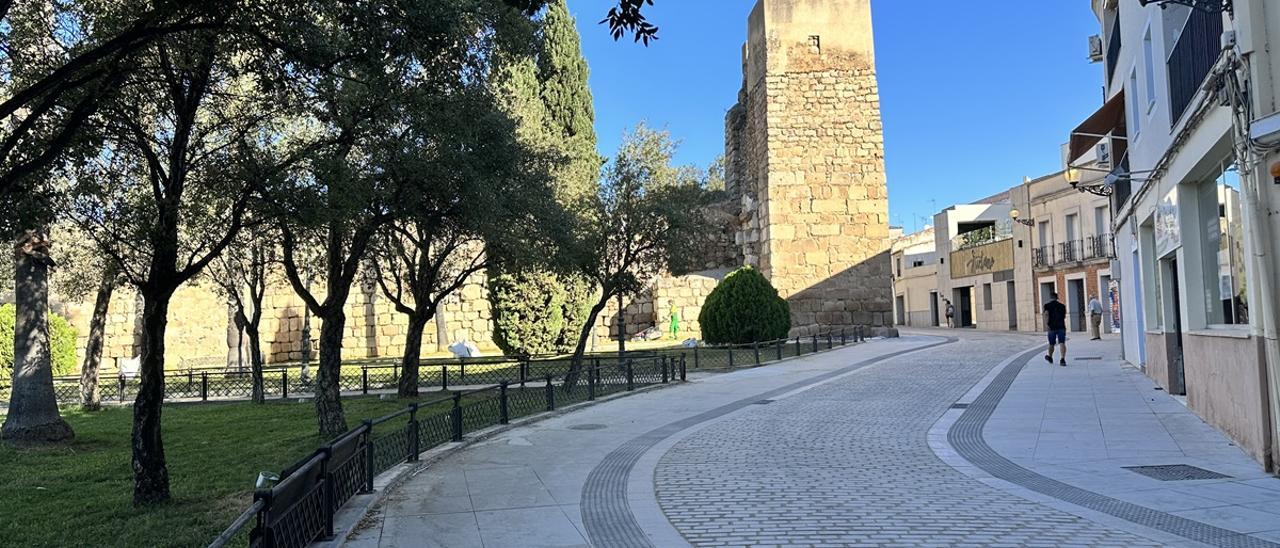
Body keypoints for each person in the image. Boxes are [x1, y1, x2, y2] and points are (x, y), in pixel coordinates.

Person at [1044, 292, 1068, 366]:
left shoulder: (1047, 305)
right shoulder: (1062, 306)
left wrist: (1047, 324)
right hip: (1061, 326)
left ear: (1050, 298)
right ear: (1057, 298)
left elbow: (1046, 314)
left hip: (1051, 327)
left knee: (1051, 344)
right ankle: (1062, 359)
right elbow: (1064, 316)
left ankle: (1050, 356)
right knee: (1062, 343)